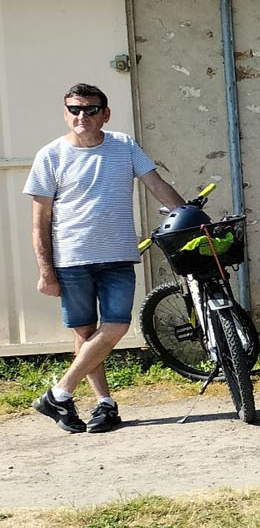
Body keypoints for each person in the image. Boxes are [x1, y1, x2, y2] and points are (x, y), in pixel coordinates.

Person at [27, 83, 186, 433]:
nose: (82, 116)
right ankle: (104, 404)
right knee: (85, 332)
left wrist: (186, 214)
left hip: (117, 256)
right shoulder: (50, 155)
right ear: (66, 113)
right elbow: (40, 219)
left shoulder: (124, 146)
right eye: (74, 109)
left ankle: (59, 392)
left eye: (91, 109)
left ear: (106, 114)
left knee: (116, 325)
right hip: (71, 259)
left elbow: (155, 182)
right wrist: (45, 270)